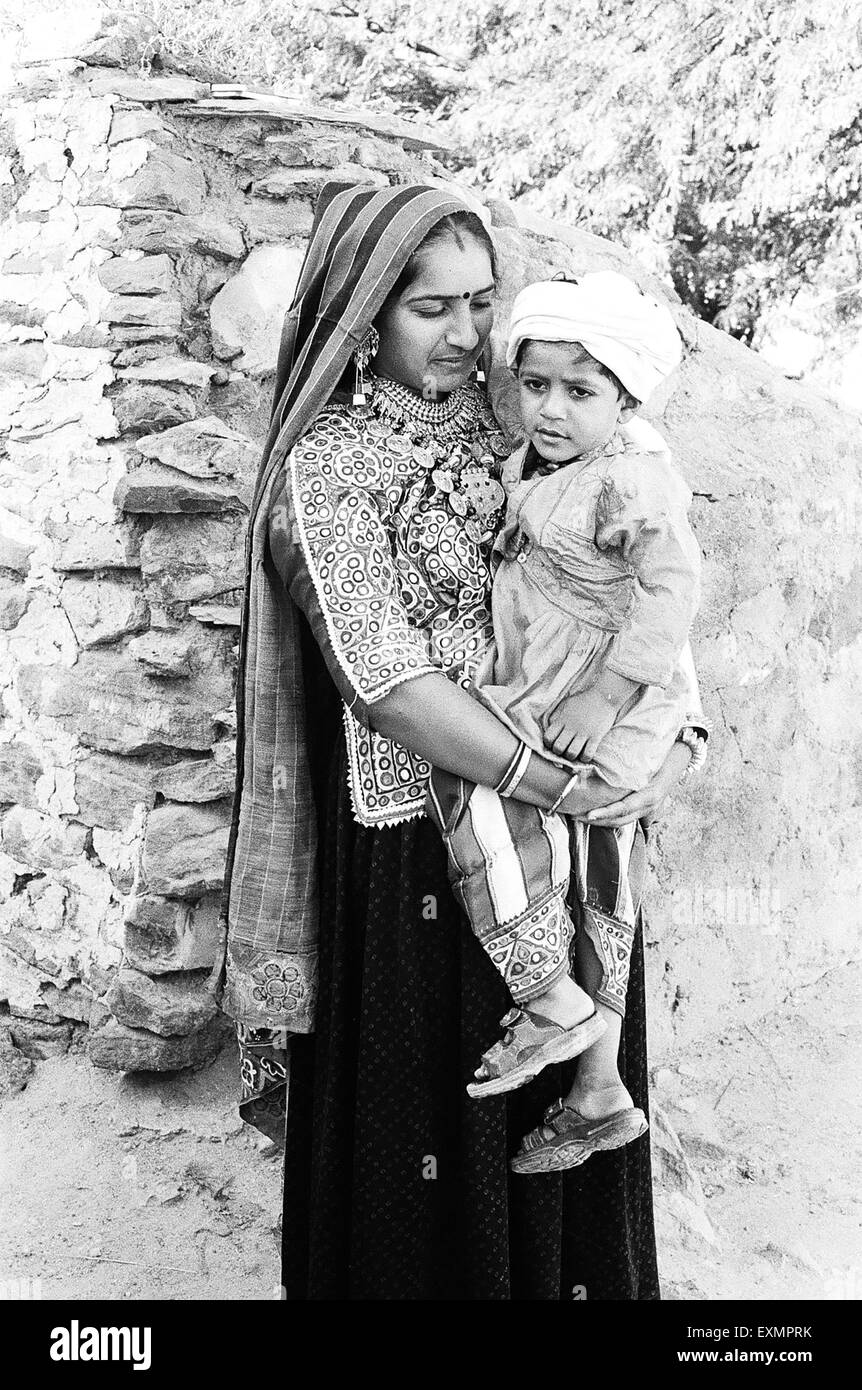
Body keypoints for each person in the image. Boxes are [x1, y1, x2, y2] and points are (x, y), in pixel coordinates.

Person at [210, 181, 709, 1300]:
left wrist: (671, 738)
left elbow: (635, 578)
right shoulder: (325, 465)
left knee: (566, 1122)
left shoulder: (529, 424)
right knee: (428, 1143)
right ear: (361, 311)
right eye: (431, 307)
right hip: (409, 846)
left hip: (568, 819)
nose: (470, 334)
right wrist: (547, 776)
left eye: (482, 302)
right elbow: (386, 680)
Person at [425, 272, 706, 1174]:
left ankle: (549, 995)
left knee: (475, 791)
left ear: (624, 401)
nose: (549, 408)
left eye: (580, 392)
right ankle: (599, 1087)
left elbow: (672, 595)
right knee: (601, 880)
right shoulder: (541, 465)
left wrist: (608, 696)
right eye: (535, 384)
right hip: (551, 685)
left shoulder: (632, 478)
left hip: (596, 706)